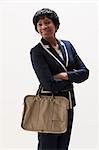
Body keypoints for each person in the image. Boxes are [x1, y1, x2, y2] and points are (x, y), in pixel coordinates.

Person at [30, 8, 89, 150]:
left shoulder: (67, 45)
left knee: (63, 146)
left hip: (68, 103)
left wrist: (64, 75)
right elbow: (49, 84)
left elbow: (85, 73)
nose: (44, 27)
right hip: (49, 104)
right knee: (47, 146)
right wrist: (72, 76)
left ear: (55, 25)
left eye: (47, 22)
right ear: (37, 29)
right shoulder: (37, 51)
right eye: (40, 24)